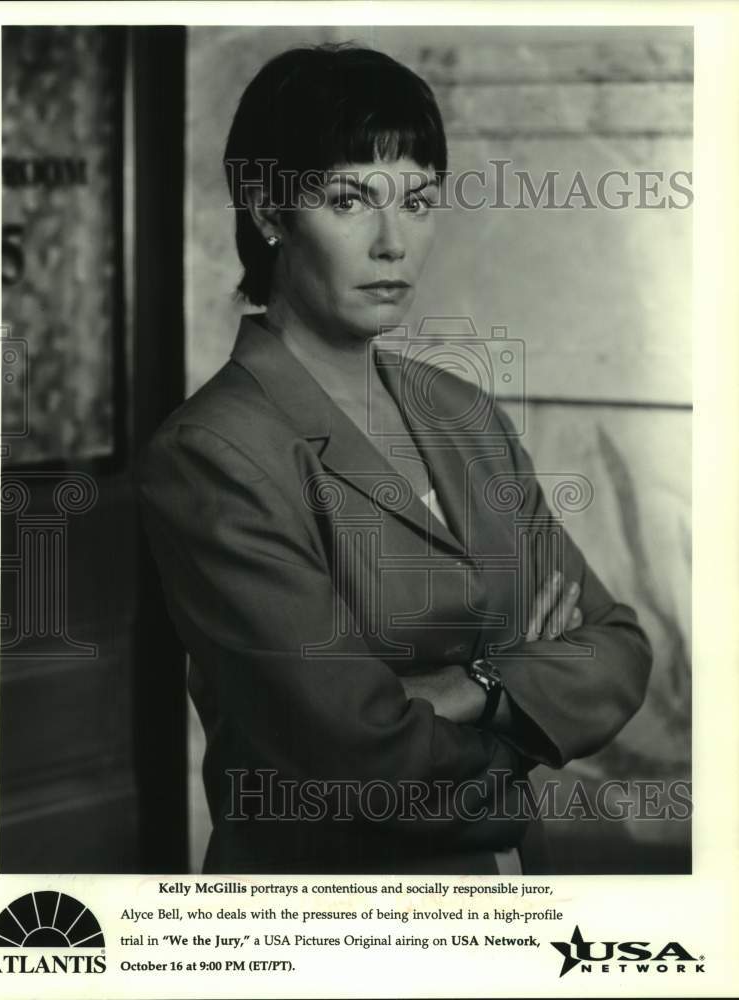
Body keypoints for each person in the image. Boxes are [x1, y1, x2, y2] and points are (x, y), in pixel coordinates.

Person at [136, 44, 652, 875]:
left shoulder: (463, 413)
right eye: (350, 199)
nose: (393, 243)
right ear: (269, 209)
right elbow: (360, 759)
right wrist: (528, 708)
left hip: (509, 888)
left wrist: (471, 688)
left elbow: (617, 646)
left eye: (416, 201)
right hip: (325, 911)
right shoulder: (214, 453)